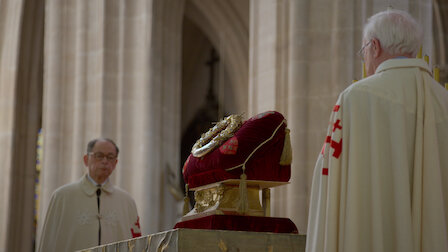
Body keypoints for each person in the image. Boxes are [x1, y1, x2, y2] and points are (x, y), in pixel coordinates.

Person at [306, 9, 448, 252]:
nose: (365, 60)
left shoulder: (354, 99)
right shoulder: (443, 100)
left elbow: (328, 175)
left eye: (364, 52)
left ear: (374, 46)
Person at [37, 138, 142, 252]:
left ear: (115, 163)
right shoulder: (62, 197)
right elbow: (49, 242)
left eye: (110, 157)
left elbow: (136, 244)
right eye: (99, 155)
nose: (105, 161)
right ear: (86, 159)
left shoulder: (126, 201)